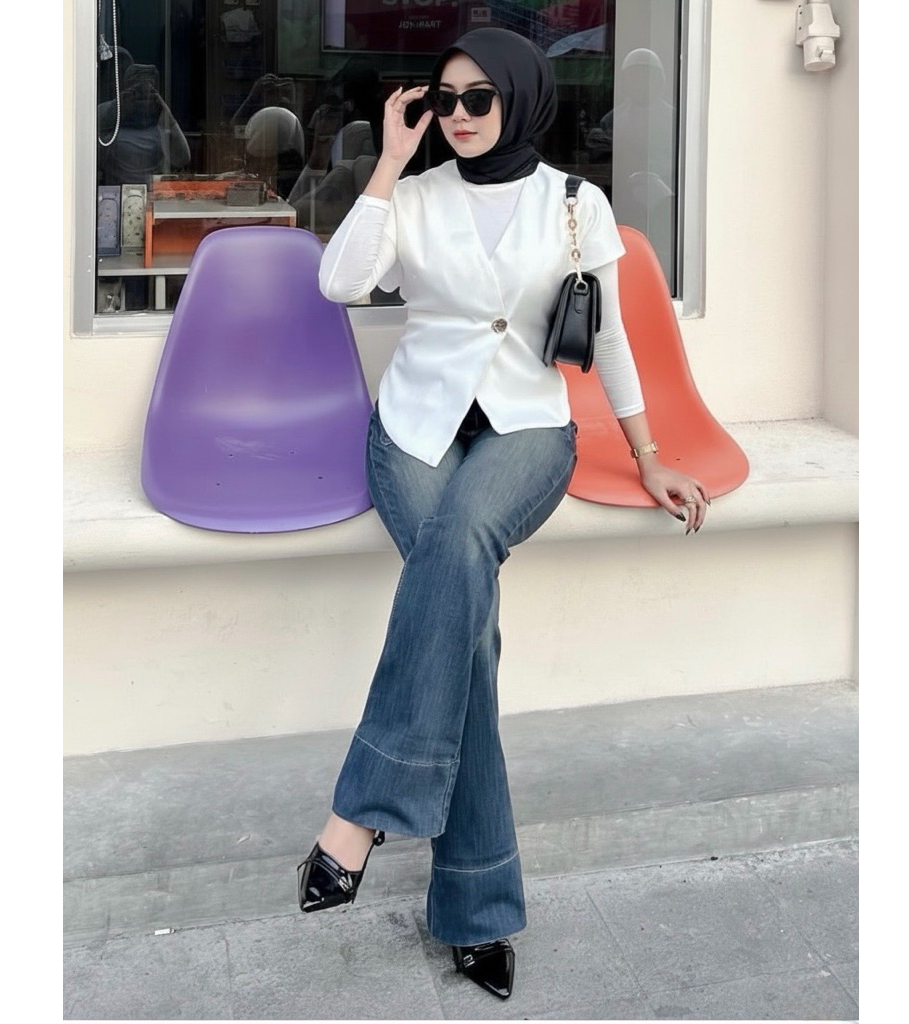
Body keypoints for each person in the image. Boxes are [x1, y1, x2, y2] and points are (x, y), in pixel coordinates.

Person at [297, 27, 709, 1002]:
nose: (460, 115)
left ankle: (363, 809)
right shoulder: (416, 194)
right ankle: (478, 912)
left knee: (460, 546)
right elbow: (339, 281)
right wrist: (390, 161)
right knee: (467, 637)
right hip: (415, 428)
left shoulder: (575, 202)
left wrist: (648, 453)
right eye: (445, 100)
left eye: (479, 98)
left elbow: (609, 340)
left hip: (526, 427)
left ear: (521, 99)